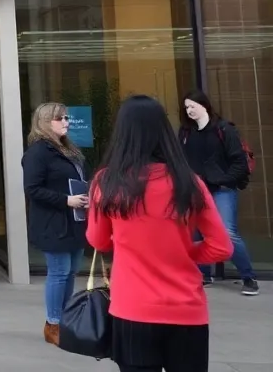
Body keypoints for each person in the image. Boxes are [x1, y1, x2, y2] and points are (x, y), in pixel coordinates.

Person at [88, 95, 233, 372]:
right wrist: (182, 252)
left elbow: (98, 240)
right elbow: (221, 247)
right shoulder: (189, 182)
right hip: (186, 309)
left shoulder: (106, 182)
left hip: (132, 308)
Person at [21, 102, 89, 346]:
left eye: (66, 118)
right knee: (59, 272)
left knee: (70, 272)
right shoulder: (37, 152)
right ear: (44, 122)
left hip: (75, 220)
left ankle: (64, 319)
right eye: (59, 119)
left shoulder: (68, 149)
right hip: (54, 222)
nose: (66, 123)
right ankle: (53, 323)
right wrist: (66, 200)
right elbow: (32, 189)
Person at [179, 90, 259, 296]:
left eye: (192, 106)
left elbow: (239, 162)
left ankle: (248, 277)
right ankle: (203, 274)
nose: (189, 111)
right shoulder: (186, 132)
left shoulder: (224, 129)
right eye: (186, 107)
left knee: (227, 232)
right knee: (196, 232)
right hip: (196, 190)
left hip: (222, 190)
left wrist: (222, 180)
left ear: (204, 105)